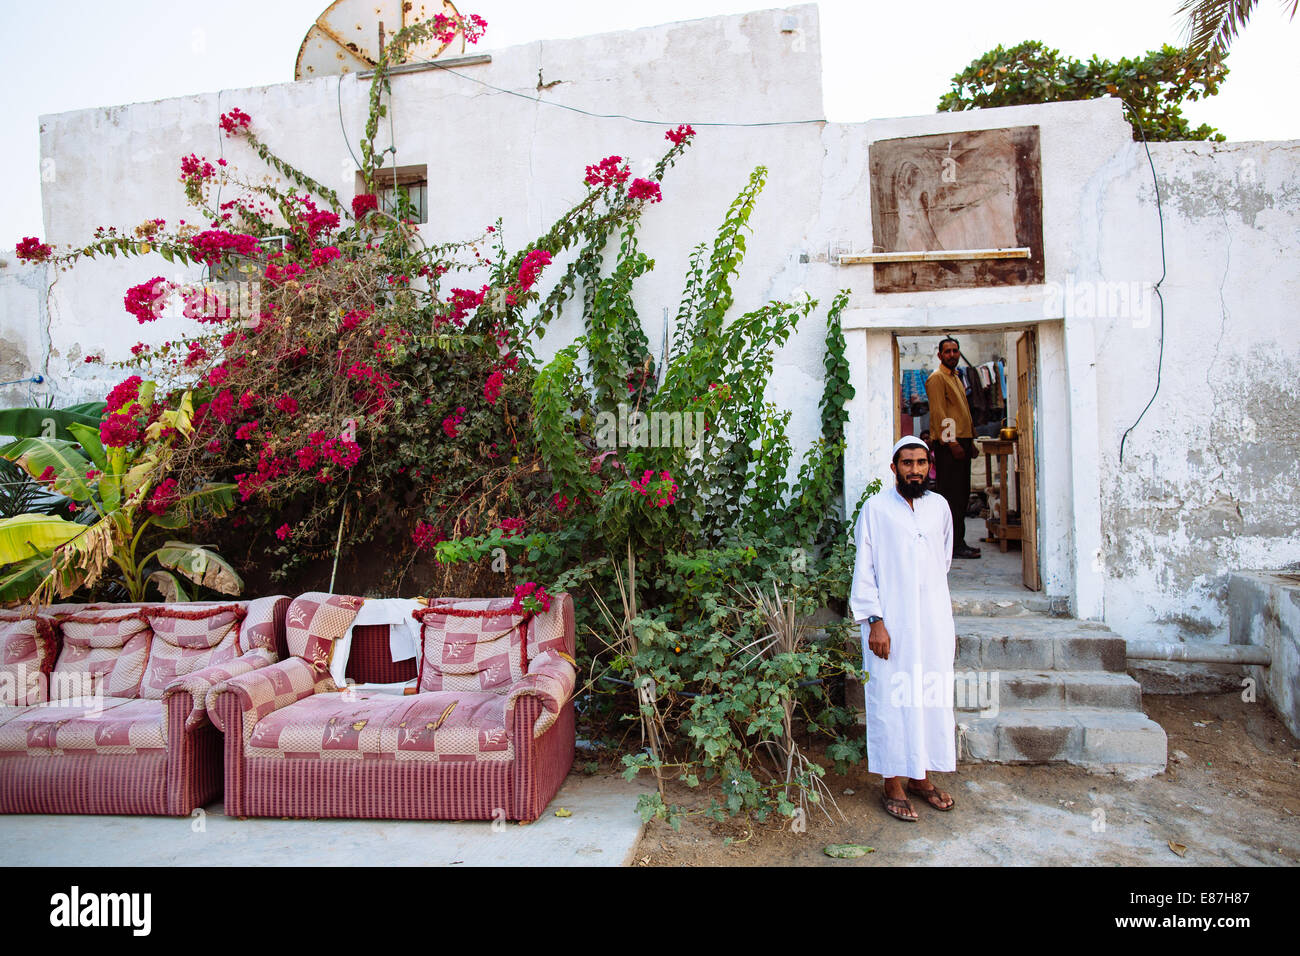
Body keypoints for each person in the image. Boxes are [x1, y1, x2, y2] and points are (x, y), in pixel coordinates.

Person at [850, 436, 957, 822]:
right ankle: (892, 784)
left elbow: (941, 561)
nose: (915, 469)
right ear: (893, 468)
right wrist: (875, 621)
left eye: (921, 462)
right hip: (888, 626)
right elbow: (865, 569)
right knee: (892, 701)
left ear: (929, 466)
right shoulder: (876, 509)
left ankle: (921, 778)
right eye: (907, 463)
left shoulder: (940, 508)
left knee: (929, 697)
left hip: (931, 623)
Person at [925, 337, 981, 559]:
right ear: (939, 355)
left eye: (955, 351)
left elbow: (963, 412)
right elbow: (940, 414)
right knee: (951, 497)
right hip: (950, 444)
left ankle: (959, 541)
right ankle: (952, 545)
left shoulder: (956, 377)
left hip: (962, 441)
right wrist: (953, 443)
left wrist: (972, 441)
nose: (951, 354)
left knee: (962, 496)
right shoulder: (937, 379)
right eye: (947, 351)